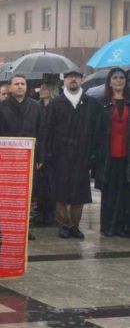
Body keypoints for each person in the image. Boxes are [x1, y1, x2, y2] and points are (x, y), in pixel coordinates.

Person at [42, 69, 101, 239]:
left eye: (76, 77)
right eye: (69, 77)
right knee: (60, 191)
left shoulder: (91, 103)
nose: (73, 79)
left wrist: (94, 153)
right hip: (60, 154)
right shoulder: (56, 103)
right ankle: (63, 224)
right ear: (64, 81)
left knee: (80, 191)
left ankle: (75, 225)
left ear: (82, 80)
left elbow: (96, 130)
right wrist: (46, 153)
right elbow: (47, 130)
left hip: (82, 154)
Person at [0, 74, 43, 240]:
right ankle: (5, 227)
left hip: (29, 157)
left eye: (23, 83)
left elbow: (42, 132)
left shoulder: (36, 106)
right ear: (10, 87)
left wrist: (40, 157)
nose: (20, 86)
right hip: (6, 158)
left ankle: (24, 227)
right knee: (7, 194)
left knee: (26, 194)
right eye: (17, 84)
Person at [96, 68, 130, 237]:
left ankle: (122, 226)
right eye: (115, 78)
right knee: (109, 191)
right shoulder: (102, 103)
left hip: (126, 154)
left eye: (121, 77)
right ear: (109, 82)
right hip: (108, 155)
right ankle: (107, 225)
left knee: (125, 191)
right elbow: (96, 130)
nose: (118, 80)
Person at [34, 82, 59, 226]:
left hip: (52, 150)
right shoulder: (38, 106)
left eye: (44, 88)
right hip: (39, 148)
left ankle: (50, 214)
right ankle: (40, 213)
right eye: (41, 88)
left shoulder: (55, 106)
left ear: (51, 89)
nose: (41, 90)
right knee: (40, 185)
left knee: (51, 185)